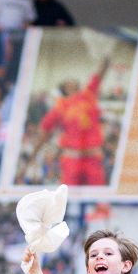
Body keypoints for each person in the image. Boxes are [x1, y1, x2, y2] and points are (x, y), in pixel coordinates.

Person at [32, 56, 111, 186]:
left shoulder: (88, 95)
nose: (71, 84)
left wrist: (106, 58)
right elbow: (45, 130)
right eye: (68, 84)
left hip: (92, 156)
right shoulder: (60, 106)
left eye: (73, 83)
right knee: (68, 196)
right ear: (64, 89)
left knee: (99, 199)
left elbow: (99, 75)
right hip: (72, 157)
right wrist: (34, 153)